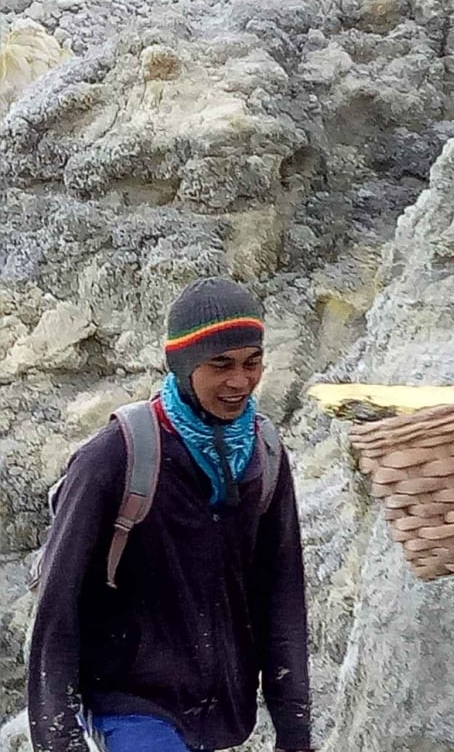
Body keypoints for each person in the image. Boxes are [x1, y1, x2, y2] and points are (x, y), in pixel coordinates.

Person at [28, 278, 313, 752]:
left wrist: (294, 731)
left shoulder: (263, 456)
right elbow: (57, 605)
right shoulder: (116, 457)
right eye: (220, 364)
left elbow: (281, 596)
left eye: (252, 362)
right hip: (130, 701)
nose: (240, 381)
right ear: (182, 364)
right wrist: (59, 739)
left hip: (220, 710)